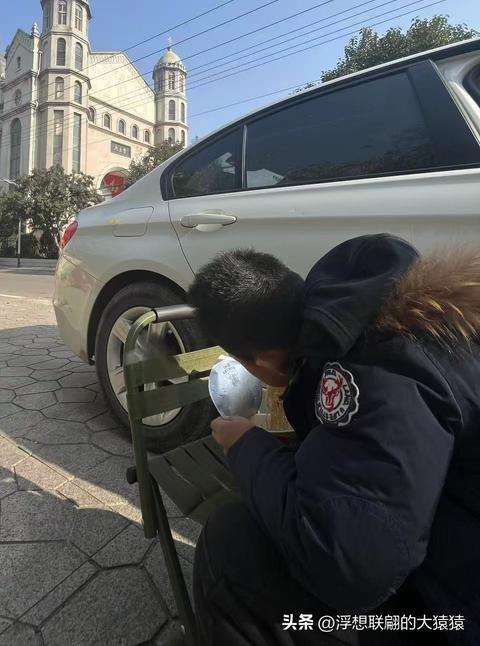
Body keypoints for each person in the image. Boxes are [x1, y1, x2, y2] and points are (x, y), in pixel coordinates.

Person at [187, 234, 480, 645]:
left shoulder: (374, 371)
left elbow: (349, 568)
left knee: (229, 544)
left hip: (451, 619)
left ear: (262, 361)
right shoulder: (419, 321)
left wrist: (247, 444)